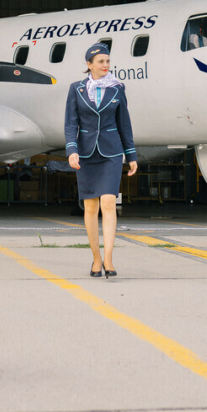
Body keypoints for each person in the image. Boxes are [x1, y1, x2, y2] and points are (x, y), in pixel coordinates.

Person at [64, 43, 138, 278]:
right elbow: (70, 123)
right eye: (101, 62)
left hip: (112, 152)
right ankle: (96, 257)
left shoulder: (117, 88)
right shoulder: (76, 89)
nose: (106, 65)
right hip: (85, 153)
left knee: (108, 202)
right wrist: (71, 150)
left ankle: (109, 259)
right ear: (89, 65)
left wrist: (131, 154)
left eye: (108, 61)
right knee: (90, 206)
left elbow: (124, 123)